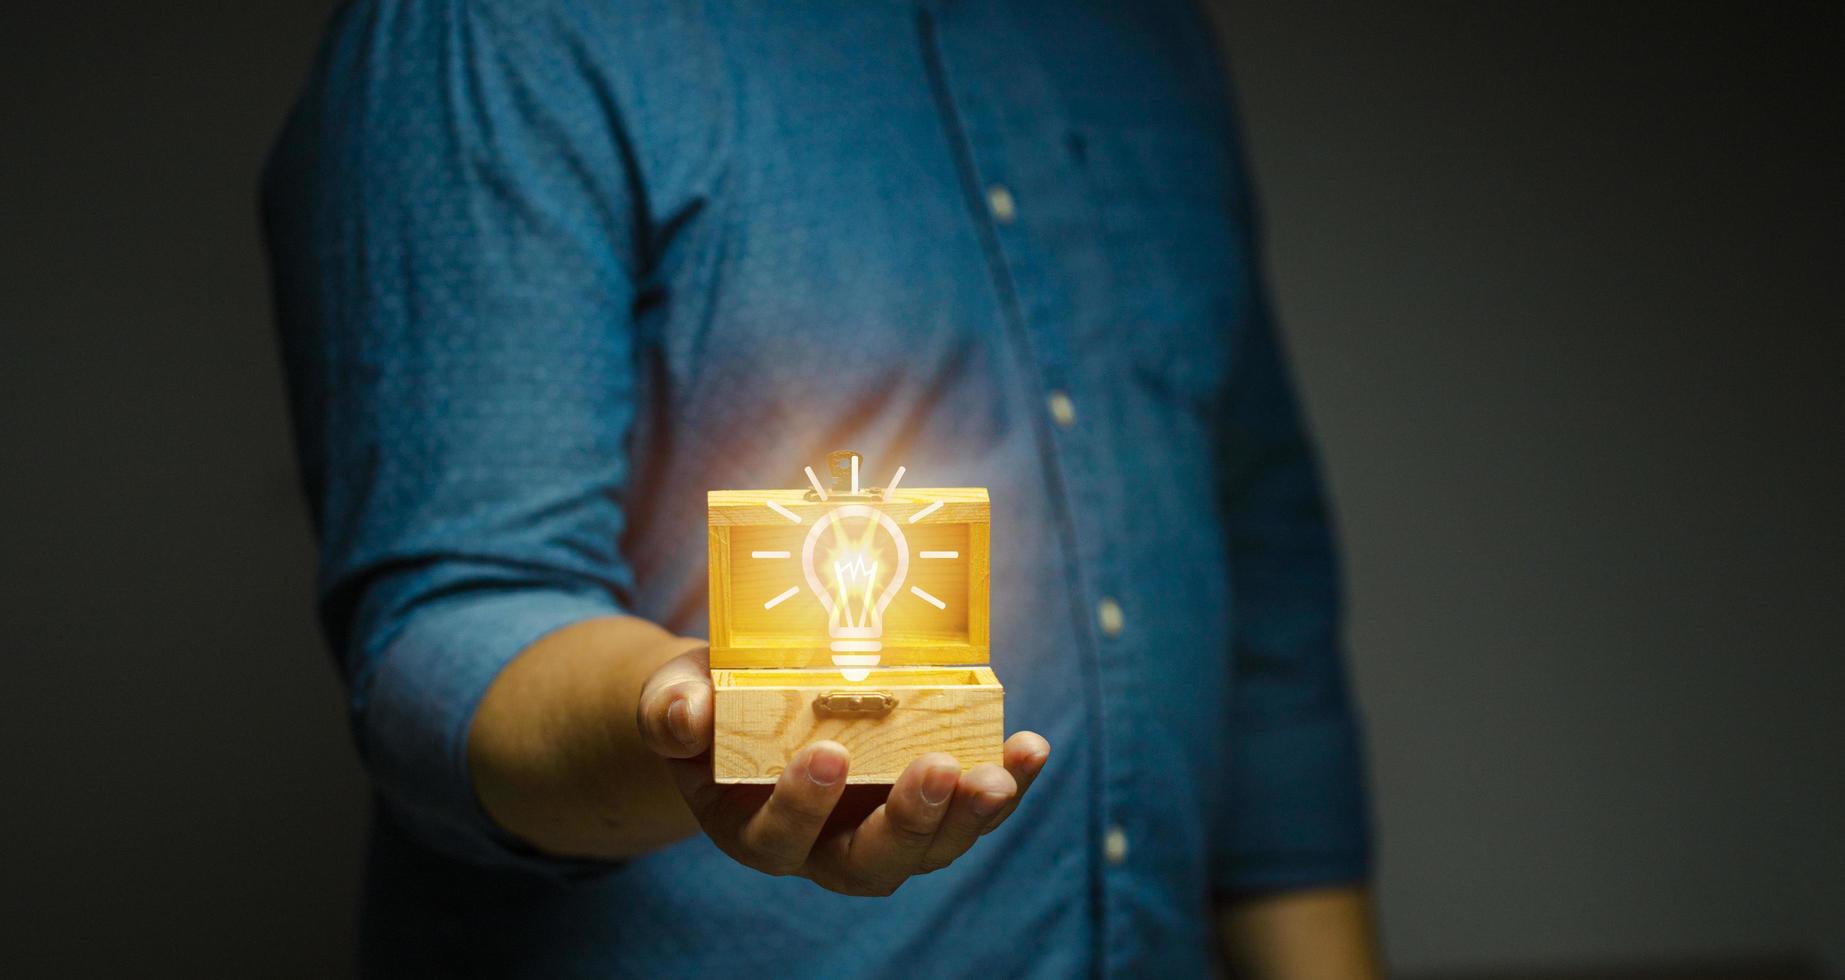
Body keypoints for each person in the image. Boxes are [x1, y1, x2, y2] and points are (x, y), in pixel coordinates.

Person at [262, 1, 1381, 976]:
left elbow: (1267, 599)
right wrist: (702, 720)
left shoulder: (1150, 32)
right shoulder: (503, 26)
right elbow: (450, 630)